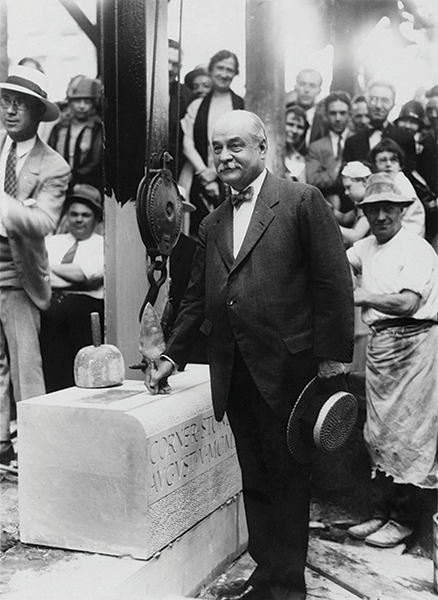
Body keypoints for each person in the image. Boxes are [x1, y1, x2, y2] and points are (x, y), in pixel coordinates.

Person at [148, 110, 354, 600]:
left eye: (236, 146)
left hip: (290, 373)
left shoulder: (302, 200)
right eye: (217, 148)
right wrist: (172, 356)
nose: (224, 156)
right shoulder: (214, 220)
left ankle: (288, 586)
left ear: (263, 148)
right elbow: (198, 297)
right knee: (255, 479)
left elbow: (334, 282)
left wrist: (330, 364)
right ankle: (267, 574)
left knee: (288, 481)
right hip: (234, 373)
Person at [346, 173, 438, 548]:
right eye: (373, 209)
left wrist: (360, 295)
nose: (382, 216)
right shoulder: (365, 247)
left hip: (415, 345)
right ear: (364, 212)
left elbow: (408, 302)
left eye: (389, 208)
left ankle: (405, 519)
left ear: (402, 210)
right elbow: (335, 261)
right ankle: (380, 513)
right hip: (382, 346)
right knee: (378, 433)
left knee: (411, 434)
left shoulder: (416, 248)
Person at [0, 65, 70, 466]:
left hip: (18, 271)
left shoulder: (54, 165)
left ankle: (36, 451)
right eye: (6, 102)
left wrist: (7, 206)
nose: (10, 111)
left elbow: (43, 222)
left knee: (26, 363)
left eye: (20, 105)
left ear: (37, 112)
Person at [39, 184, 104, 392]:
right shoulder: (51, 242)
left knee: (79, 371)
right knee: (51, 367)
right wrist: (69, 277)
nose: (78, 219)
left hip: (85, 312)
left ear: (95, 218)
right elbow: (37, 275)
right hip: (51, 309)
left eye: (85, 215)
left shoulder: (103, 244)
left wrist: (48, 269)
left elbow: (87, 276)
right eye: (74, 214)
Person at [178, 50, 244, 237]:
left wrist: (216, 172)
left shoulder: (240, 105)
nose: (224, 74)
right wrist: (204, 173)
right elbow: (187, 143)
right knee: (195, 234)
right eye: (220, 68)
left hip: (231, 173)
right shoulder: (196, 105)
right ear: (211, 70)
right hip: (197, 174)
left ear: (235, 73)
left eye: (229, 70)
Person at [343, 79, 417, 175]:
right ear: (367, 102)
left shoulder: (405, 139)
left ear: (393, 104)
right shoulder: (352, 142)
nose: (378, 105)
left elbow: (408, 174)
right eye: (373, 99)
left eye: (385, 100)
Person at [48, 75, 103, 194]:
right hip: (58, 185)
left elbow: (95, 161)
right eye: (77, 100)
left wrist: (74, 178)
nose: (82, 106)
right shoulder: (58, 129)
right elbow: (49, 155)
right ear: (70, 102)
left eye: (87, 101)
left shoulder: (97, 129)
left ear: (94, 103)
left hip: (88, 187)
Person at [305, 91, 352, 208]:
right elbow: (313, 179)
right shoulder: (316, 147)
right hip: (328, 205)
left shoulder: (359, 141)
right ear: (325, 116)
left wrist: (325, 172)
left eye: (342, 113)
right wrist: (337, 169)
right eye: (333, 113)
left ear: (350, 115)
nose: (338, 118)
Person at [370, 139, 425, 238]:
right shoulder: (385, 182)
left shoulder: (400, 182)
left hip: (409, 235)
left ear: (400, 165)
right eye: (383, 160)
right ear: (374, 165)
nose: (388, 164)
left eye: (393, 160)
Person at [168, 39, 192, 179]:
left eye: (175, 64)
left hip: (175, 171)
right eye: (166, 62)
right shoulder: (137, 92)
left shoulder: (187, 96)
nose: (170, 69)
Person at [286, 69, 326, 149]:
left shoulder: (323, 122)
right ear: (296, 87)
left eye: (312, 86)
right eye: (302, 84)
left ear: (319, 91)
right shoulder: (284, 115)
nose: (306, 90)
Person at [335, 161, 371, 247]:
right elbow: (344, 218)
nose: (346, 192)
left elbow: (356, 235)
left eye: (348, 187)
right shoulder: (360, 204)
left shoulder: (370, 205)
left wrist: (329, 225)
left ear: (364, 182)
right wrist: (327, 208)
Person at [284, 105, 308, 183]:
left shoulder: (301, 160)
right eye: (290, 124)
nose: (294, 130)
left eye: (300, 127)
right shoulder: (267, 154)